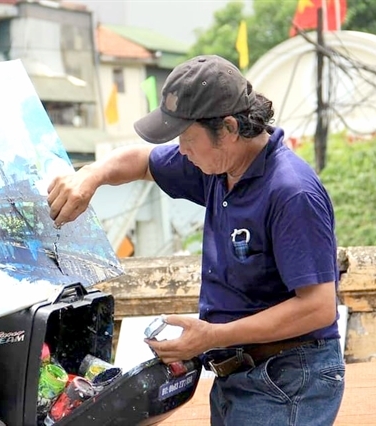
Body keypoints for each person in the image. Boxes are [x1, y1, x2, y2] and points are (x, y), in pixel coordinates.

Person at [47, 55, 345, 425]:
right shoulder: (218, 166)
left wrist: (211, 336)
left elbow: (318, 308)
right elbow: (141, 161)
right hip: (238, 373)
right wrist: (90, 176)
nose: (182, 150)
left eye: (187, 139)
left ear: (230, 127)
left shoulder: (290, 193)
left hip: (288, 377)